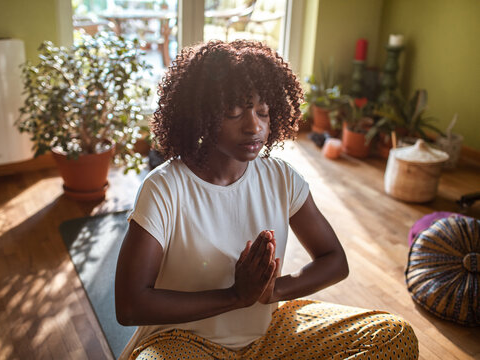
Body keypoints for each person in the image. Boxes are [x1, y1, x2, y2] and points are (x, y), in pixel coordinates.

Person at [115, 40, 419, 360]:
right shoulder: (164, 188)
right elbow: (130, 305)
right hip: (185, 343)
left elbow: (334, 260)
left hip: (269, 335)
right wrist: (234, 296)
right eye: (234, 111)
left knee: (392, 336)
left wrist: (273, 291)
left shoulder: (281, 178)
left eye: (263, 111)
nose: (254, 126)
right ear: (201, 114)